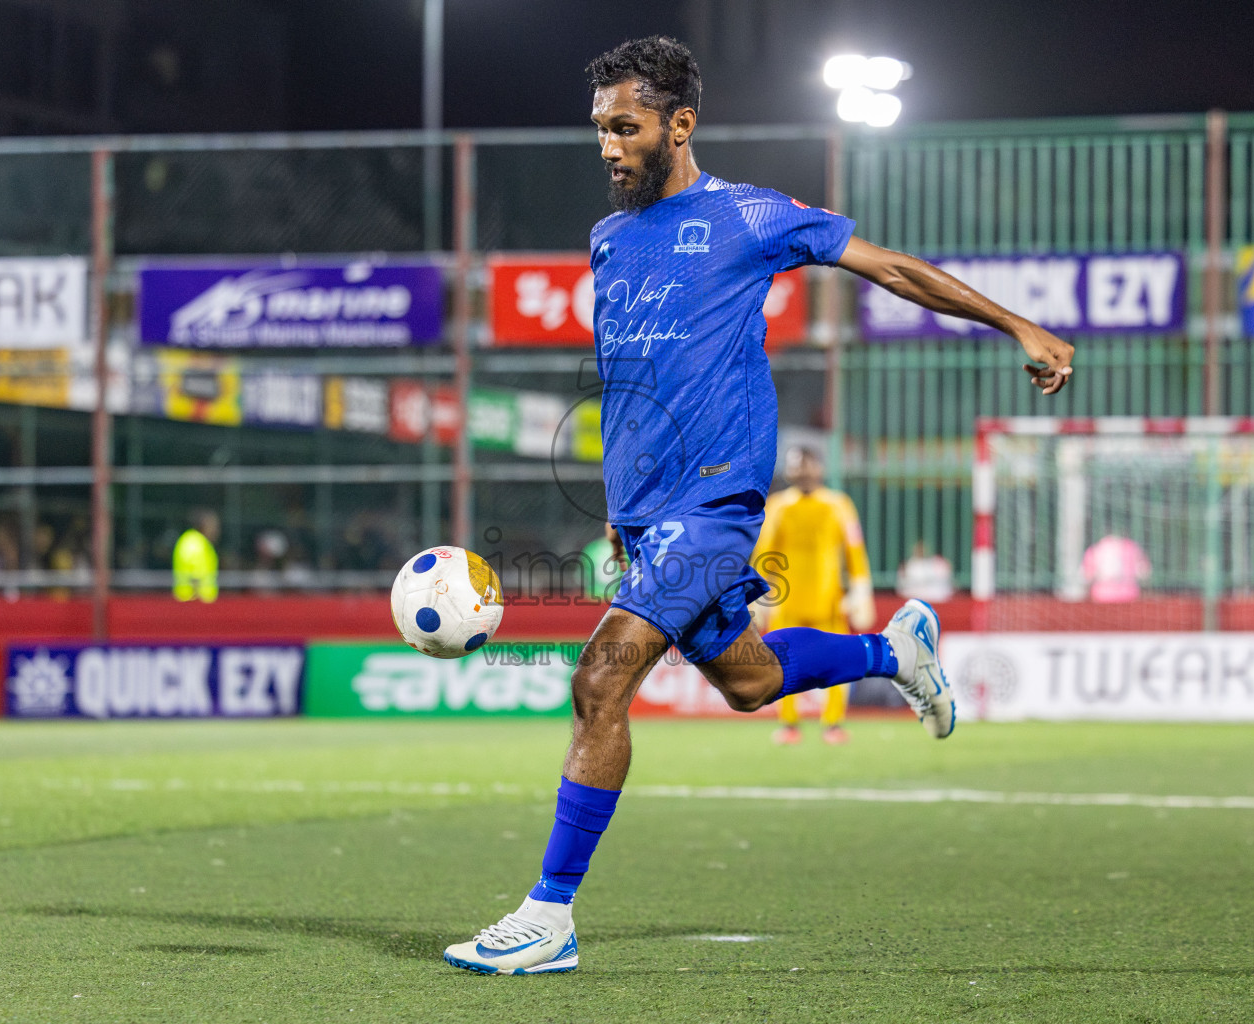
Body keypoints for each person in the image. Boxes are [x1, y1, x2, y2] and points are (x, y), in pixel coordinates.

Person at [442, 36, 1074, 976]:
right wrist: (622, 512)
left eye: (626, 127)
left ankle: (549, 915)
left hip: (719, 499)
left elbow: (893, 269)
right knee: (748, 682)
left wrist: (1018, 323)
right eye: (600, 131)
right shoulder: (609, 240)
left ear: (679, 125)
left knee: (599, 680)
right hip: (652, 515)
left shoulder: (750, 216)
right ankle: (891, 652)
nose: (608, 147)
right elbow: (629, 385)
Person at [753, 446, 875, 746]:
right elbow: (764, 555)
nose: (802, 470)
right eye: (796, 465)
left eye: (807, 464)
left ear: (819, 467)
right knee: (781, 662)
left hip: (828, 600)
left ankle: (833, 722)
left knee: (836, 660)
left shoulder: (839, 505)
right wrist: (757, 597)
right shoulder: (778, 506)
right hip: (786, 603)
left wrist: (861, 590)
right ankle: (789, 722)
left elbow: (854, 550)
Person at [1081, 534, 1149, 603]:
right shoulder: (1133, 547)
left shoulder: (1095, 549)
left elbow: (1087, 576)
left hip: (1104, 595)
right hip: (1126, 594)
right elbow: (1144, 573)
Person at [172, 509, 220, 603]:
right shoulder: (195, 543)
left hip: (196, 602)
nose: (216, 530)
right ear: (204, 525)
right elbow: (195, 577)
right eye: (214, 526)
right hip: (193, 603)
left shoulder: (196, 541)